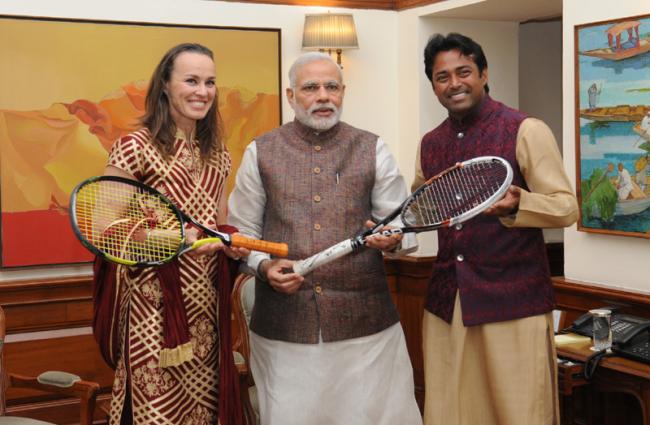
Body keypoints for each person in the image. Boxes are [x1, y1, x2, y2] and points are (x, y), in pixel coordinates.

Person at [228, 52, 422, 425]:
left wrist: (393, 239)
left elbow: (402, 225)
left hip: (367, 328)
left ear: (343, 92)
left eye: (332, 87)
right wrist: (264, 267)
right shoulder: (260, 151)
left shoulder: (372, 147)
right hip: (285, 330)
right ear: (290, 95)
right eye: (311, 87)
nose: (323, 96)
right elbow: (242, 234)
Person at [414, 33, 578, 425]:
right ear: (433, 86)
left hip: (513, 303)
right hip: (447, 305)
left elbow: (566, 207)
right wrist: (389, 232)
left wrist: (519, 203)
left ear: (484, 74)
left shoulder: (525, 129)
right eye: (442, 77)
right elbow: (422, 209)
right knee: (451, 414)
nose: (454, 83)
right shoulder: (430, 143)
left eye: (464, 72)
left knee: (519, 413)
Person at [93, 43, 247, 425]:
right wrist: (173, 239)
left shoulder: (218, 154)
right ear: (164, 84)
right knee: (156, 414)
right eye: (191, 80)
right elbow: (102, 229)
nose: (203, 91)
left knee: (204, 415)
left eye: (210, 82)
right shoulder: (134, 147)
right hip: (153, 310)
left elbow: (217, 222)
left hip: (207, 311)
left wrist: (229, 242)